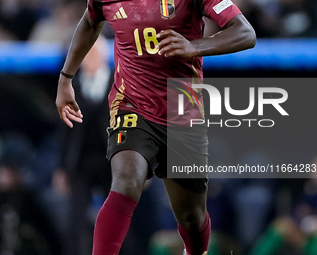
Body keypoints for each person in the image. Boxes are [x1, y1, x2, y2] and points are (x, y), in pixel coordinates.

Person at [55, 0, 256, 254]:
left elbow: (245, 33)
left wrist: (194, 46)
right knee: (126, 180)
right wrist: (66, 78)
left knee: (191, 216)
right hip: (131, 104)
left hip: (182, 110)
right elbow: (89, 22)